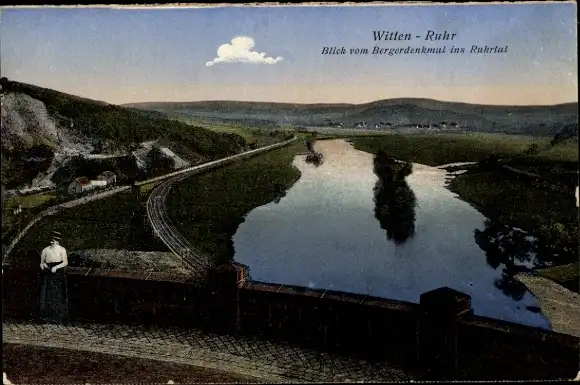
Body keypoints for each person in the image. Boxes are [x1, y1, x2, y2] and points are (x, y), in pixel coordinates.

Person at [39, 230, 69, 323]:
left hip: (58, 274)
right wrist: (44, 266)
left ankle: (58, 317)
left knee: (58, 295)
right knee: (47, 295)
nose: (52, 242)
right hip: (48, 274)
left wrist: (56, 267)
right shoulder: (45, 250)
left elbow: (65, 262)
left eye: (54, 241)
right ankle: (46, 317)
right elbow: (41, 262)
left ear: (57, 241)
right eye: (51, 240)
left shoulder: (62, 250)